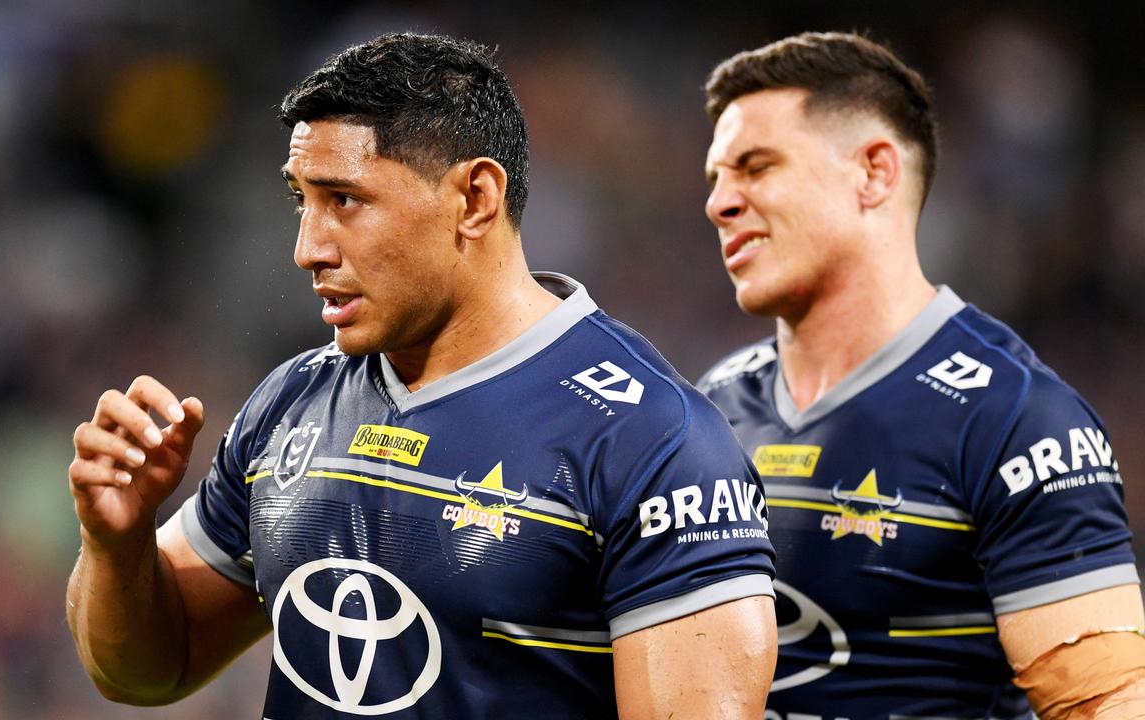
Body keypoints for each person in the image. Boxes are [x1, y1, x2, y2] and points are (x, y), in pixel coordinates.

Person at [66, 32, 777, 719]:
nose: (307, 248)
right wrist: (117, 545)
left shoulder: (653, 443)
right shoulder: (291, 403)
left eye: (344, 200)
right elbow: (146, 671)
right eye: (301, 201)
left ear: (474, 200)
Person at [696, 31, 1145, 719]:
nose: (719, 203)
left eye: (756, 167)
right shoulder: (712, 407)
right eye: (716, 178)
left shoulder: (1018, 422)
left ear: (873, 174)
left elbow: (1107, 703)